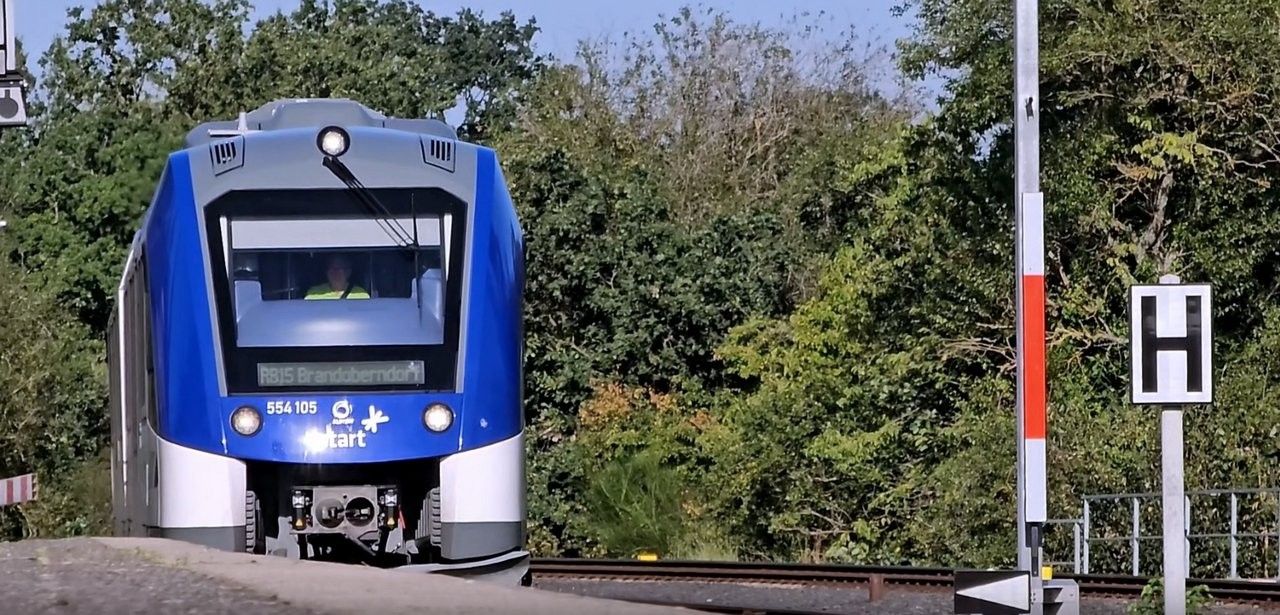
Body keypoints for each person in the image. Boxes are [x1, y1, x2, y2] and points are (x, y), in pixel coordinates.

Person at [305, 254, 369, 299]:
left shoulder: (360, 294)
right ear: (326, 272)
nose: (335, 272)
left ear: (348, 272)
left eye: (339, 269)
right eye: (332, 268)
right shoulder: (313, 293)